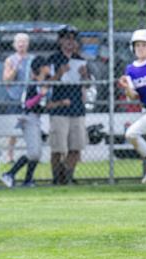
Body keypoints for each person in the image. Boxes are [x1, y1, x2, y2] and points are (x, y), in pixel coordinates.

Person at [0, 56, 72, 188]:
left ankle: (28, 180)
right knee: (34, 153)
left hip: (36, 118)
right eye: (47, 66)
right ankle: (9, 174)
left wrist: (61, 103)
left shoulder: (43, 83)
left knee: (36, 153)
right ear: (41, 68)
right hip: (28, 118)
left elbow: (45, 105)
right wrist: (40, 95)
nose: (49, 68)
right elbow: (27, 104)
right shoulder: (33, 84)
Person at [47, 25, 89, 185]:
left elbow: (89, 84)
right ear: (60, 41)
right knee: (58, 148)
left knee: (76, 147)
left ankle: (68, 176)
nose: (70, 42)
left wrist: (85, 76)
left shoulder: (80, 59)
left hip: (77, 107)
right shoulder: (53, 59)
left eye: (73, 39)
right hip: (59, 109)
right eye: (66, 38)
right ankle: (57, 178)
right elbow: (46, 83)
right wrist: (59, 74)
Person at [118, 29, 146, 184]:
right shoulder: (131, 69)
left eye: (144, 45)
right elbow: (133, 96)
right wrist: (126, 86)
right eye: (137, 45)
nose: (140, 48)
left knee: (131, 134)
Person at [2, 33, 32, 163]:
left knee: (31, 126)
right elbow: (6, 80)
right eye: (19, 42)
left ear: (28, 44)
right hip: (15, 97)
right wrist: (15, 67)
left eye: (24, 42)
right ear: (14, 45)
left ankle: (31, 154)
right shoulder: (10, 60)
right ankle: (10, 155)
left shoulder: (32, 59)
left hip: (30, 97)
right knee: (14, 127)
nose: (21, 44)